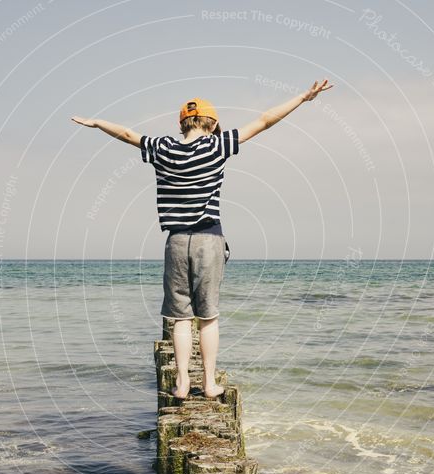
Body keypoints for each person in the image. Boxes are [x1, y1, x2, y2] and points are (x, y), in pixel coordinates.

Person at [71, 79, 333, 399]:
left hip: (177, 242)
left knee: (180, 319)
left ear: (182, 124)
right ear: (212, 124)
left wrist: (98, 123)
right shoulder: (217, 146)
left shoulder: (163, 148)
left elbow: (127, 134)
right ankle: (209, 384)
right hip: (209, 239)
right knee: (208, 318)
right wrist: (303, 98)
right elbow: (265, 121)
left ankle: (181, 383)